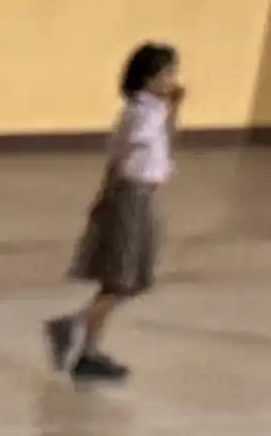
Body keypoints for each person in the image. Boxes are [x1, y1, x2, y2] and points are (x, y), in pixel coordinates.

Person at [49, 41, 179, 384]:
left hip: (140, 197)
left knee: (128, 279)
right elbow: (123, 155)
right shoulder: (141, 114)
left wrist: (173, 110)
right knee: (123, 280)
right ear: (148, 78)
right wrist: (109, 195)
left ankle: (86, 348)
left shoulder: (154, 110)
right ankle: (77, 330)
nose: (172, 80)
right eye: (166, 73)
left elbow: (161, 149)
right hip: (131, 198)